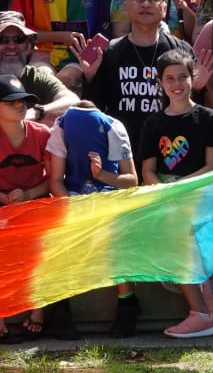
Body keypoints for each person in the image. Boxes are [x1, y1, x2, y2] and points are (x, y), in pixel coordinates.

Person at [74, 0, 202, 170]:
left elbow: (194, 110)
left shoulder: (181, 51)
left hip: (171, 151)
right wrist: (90, 77)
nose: (146, 4)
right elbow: (97, 109)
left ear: (164, 7)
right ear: (125, 6)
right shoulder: (109, 52)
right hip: (123, 152)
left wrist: (198, 88)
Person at [138, 49, 213, 337]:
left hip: (199, 196)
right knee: (177, 246)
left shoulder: (208, 117)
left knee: (184, 247)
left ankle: (202, 311)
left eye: (183, 77)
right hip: (167, 199)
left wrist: (180, 187)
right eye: (170, 79)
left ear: (193, 77)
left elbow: (212, 166)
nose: (177, 84)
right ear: (160, 82)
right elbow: (148, 169)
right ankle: (206, 308)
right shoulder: (153, 123)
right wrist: (162, 192)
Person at [45, 99, 139, 339]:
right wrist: (73, 206)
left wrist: (102, 174)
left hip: (108, 200)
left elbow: (131, 180)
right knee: (59, 241)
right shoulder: (61, 127)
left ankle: (127, 304)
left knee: (116, 237)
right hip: (73, 201)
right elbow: (55, 180)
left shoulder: (113, 127)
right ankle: (61, 308)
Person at [0, 76, 56, 340]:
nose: (20, 106)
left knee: (40, 247)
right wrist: (6, 198)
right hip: (3, 205)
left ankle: (38, 310)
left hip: (35, 202)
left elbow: (55, 179)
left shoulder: (42, 134)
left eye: (23, 101)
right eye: (12, 102)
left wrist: (28, 195)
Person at [0, 12, 77, 124]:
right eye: (3, 39)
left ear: (27, 44)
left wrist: (37, 112)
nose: (12, 46)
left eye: (18, 39)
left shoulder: (35, 76)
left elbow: (72, 101)